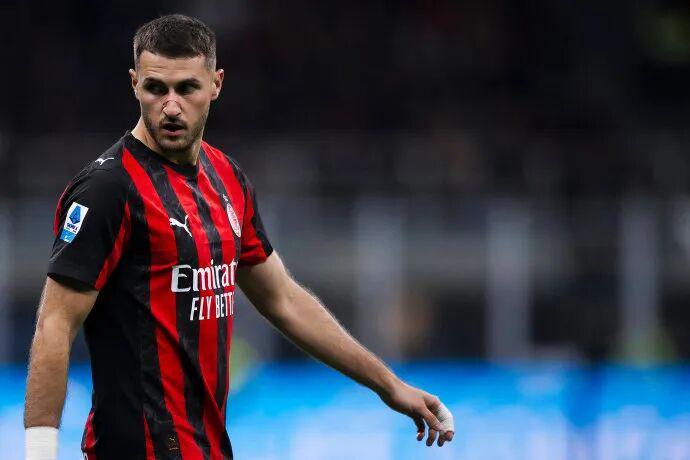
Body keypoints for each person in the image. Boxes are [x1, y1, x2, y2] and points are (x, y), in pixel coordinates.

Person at [23, 14, 454, 460]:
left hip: (207, 446)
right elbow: (55, 323)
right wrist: (38, 453)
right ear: (134, 84)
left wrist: (388, 385)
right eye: (155, 88)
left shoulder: (226, 178)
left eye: (187, 88)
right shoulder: (107, 190)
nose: (171, 106)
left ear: (216, 84)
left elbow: (284, 300)